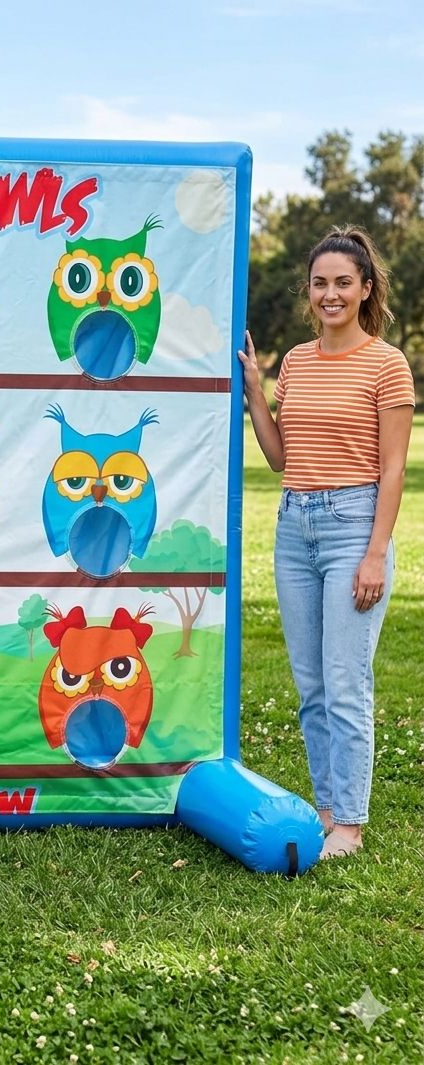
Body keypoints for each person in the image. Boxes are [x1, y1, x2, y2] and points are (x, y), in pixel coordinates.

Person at [239, 224, 415, 860]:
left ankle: (352, 824)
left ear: (365, 289)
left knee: (346, 682)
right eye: (321, 283)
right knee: (311, 686)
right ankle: (326, 808)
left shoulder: (386, 363)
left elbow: (393, 468)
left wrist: (374, 554)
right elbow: (285, 456)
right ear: (309, 291)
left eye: (344, 282)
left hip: (354, 528)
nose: (331, 294)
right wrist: (257, 393)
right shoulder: (296, 361)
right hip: (295, 529)